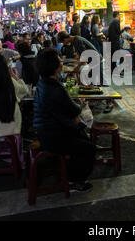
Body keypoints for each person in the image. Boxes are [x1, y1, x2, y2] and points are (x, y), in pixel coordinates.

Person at [33, 48, 96, 192]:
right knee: (89, 147)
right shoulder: (54, 88)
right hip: (54, 137)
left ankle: (70, 173)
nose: (62, 64)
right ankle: (75, 181)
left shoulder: (43, 83)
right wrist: (81, 102)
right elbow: (74, 109)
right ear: (55, 66)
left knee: (81, 134)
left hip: (45, 132)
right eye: (60, 61)